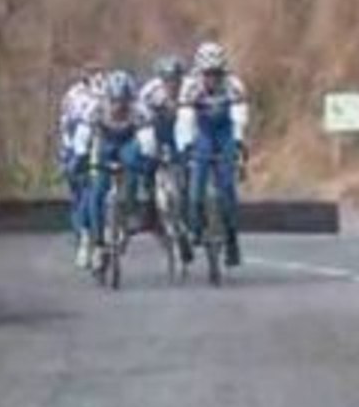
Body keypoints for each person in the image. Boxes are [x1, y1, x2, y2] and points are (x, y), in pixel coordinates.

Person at [71, 70, 155, 266]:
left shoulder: (139, 110)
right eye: (114, 100)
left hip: (128, 143)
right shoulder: (96, 108)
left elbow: (147, 140)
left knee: (133, 161)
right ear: (107, 98)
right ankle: (98, 242)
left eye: (123, 101)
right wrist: (81, 157)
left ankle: (129, 208)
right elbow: (82, 135)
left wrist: (147, 160)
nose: (118, 106)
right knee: (97, 191)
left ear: (130, 99)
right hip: (104, 144)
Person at [176, 40, 249, 267]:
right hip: (203, 131)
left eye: (217, 74)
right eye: (208, 74)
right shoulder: (190, 87)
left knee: (227, 189)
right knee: (195, 187)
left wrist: (238, 144)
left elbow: (239, 119)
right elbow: (185, 119)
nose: (212, 79)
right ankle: (195, 228)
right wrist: (186, 146)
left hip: (225, 131)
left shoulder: (234, 86)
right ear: (200, 72)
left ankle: (232, 240)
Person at [139, 54, 193, 262]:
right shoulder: (149, 92)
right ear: (161, 79)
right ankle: (149, 209)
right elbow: (141, 116)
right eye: (168, 80)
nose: (172, 84)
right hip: (157, 131)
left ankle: (188, 222)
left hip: (181, 132)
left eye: (176, 79)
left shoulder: (190, 88)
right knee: (148, 164)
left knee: (186, 171)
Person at [59, 65, 104, 267]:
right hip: (74, 145)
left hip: (97, 143)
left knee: (93, 189)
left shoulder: (104, 89)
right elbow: (68, 125)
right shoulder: (74, 96)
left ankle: (94, 236)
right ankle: (83, 237)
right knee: (80, 193)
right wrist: (72, 156)